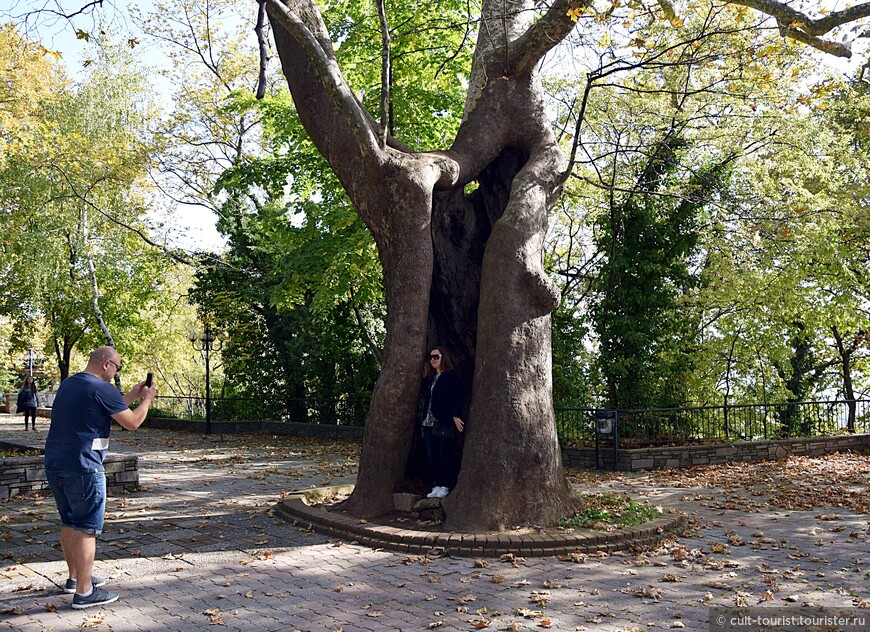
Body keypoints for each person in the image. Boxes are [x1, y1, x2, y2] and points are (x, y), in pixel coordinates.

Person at [44, 346, 157, 609]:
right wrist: (148, 399)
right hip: (84, 466)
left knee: (70, 521)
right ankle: (84, 592)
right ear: (106, 364)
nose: (117, 372)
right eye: (117, 367)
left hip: (55, 462)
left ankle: (75, 578)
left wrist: (133, 394)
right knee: (87, 527)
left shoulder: (70, 384)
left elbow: (109, 408)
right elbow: (132, 423)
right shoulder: (101, 388)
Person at [419, 346, 464, 499]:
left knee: (446, 454)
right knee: (432, 456)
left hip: (443, 420)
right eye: (431, 357)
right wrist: (425, 376)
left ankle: (446, 485)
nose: (433, 360)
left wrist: (456, 415)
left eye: (436, 357)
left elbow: (458, 396)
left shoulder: (451, 376)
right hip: (428, 422)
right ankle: (437, 484)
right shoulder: (431, 378)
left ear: (443, 357)